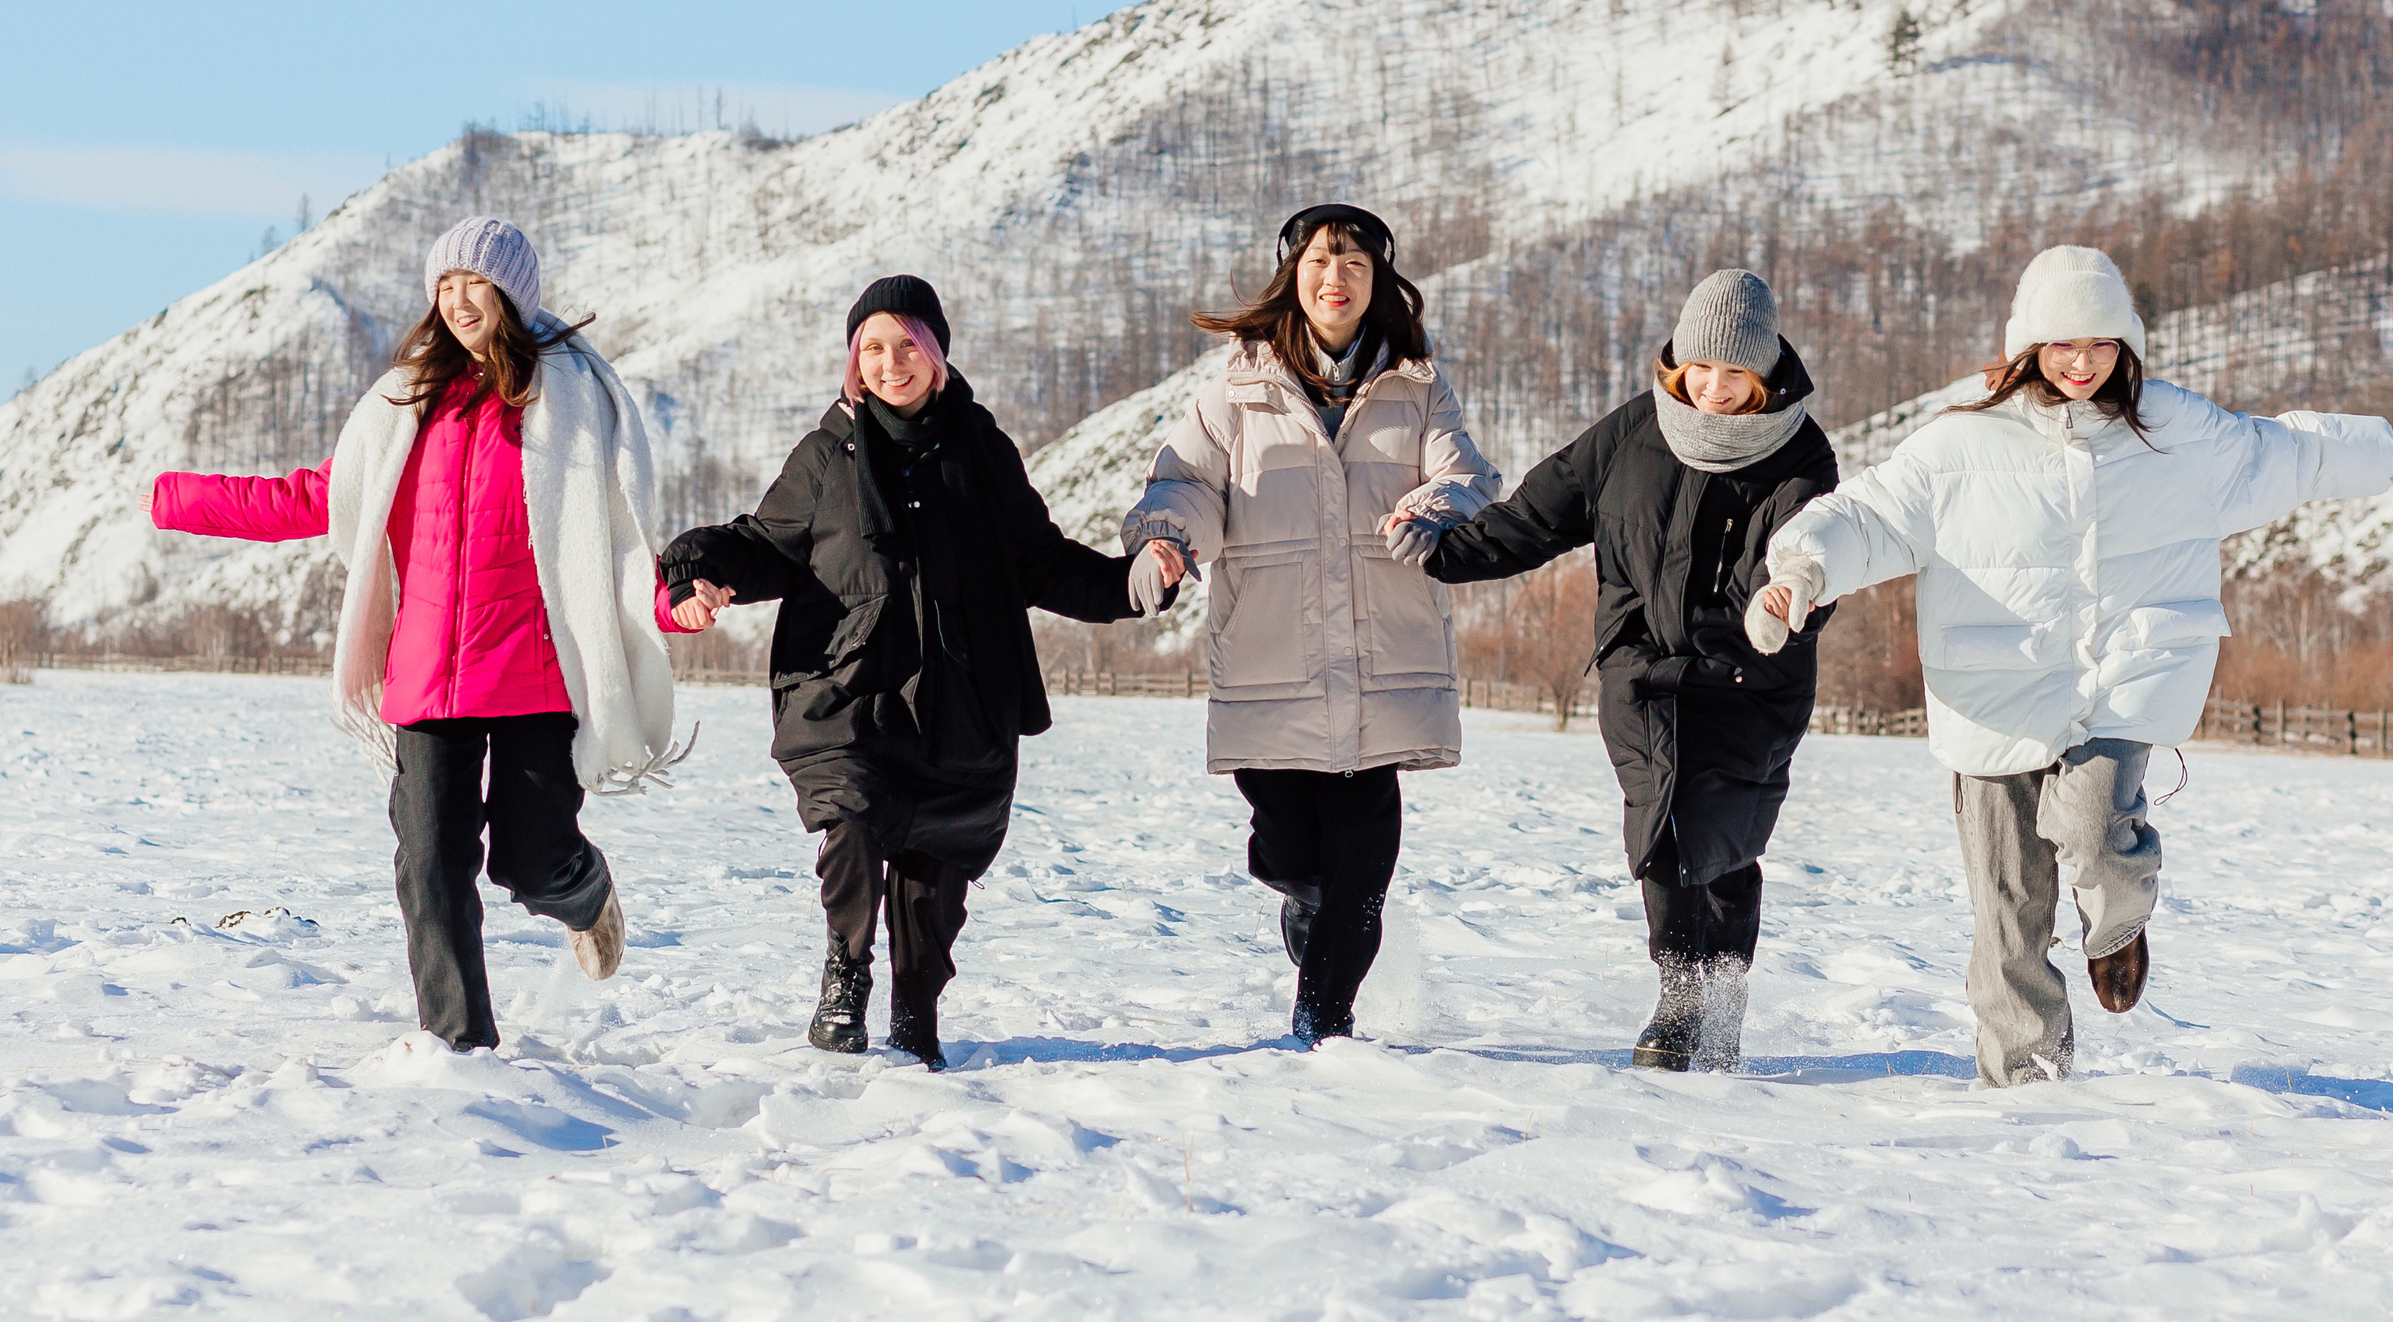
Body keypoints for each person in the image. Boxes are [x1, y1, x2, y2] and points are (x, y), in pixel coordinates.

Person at [1749, 245, 2393, 1086]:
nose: (2082, 361)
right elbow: (1868, 515)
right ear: (2029, 346)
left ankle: (2119, 918)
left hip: (2120, 683)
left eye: (2100, 344)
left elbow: (2292, 453)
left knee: (2095, 831)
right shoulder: (1959, 445)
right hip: (1991, 697)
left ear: (2126, 345)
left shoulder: (2179, 432)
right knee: (2008, 911)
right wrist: (1799, 572)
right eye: (2062, 344)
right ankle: (2029, 1080)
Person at [145, 216, 684, 1053]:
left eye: (475, 282)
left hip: (537, 674)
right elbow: (317, 498)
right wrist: (180, 497)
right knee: (430, 869)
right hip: (428, 679)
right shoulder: (404, 402)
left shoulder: (571, 398)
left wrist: (665, 603)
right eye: (445, 284)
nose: (458, 299)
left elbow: (617, 535)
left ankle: (580, 890)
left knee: (529, 860)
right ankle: (460, 1047)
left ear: (511, 293)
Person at [656, 275, 1183, 1070]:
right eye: (872, 346)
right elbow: (762, 542)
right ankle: (846, 970)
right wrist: (693, 569)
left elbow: (1038, 561)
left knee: (935, 883)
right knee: (855, 818)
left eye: (906, 344)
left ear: (936, 354)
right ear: (853, 360)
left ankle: (914, 1007)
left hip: (963, 700)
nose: (889, 361)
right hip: (847, 691)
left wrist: (1130, 583)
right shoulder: (827, 454)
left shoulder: (982, 451)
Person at [1424, 271, 1837, 1070]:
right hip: (1642, 675)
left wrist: (1794, 599)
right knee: (1660, 834)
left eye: (1734, 375)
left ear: (1764, 375)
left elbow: (1810, 549)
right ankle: (1682, 992)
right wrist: (1439, 555)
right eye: (1700, 368)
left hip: (1751, 679)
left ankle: (1723, 995)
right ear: (1679, 361)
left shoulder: (1800, 452)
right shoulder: (1631, 432)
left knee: (1726, 843)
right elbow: (1539, 514)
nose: (1713, 390)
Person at [1122, 205, 1499, 1044]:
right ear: (1293, 275)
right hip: (1274, 665)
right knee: (1295, 854)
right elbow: (1184, 483)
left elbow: (1465, 472)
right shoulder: (1233, 394)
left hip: (1380, 667)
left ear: (1380, 285)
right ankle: (1303, 901)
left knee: (1364, 872)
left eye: (1357, 264)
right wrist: (1164, 538)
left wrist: (1435, 509)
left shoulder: (1419, 384)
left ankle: (1321, 1028)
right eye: (1323, 261)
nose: (1338, 277)